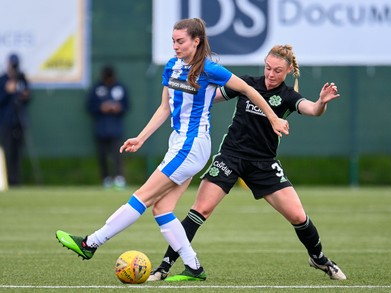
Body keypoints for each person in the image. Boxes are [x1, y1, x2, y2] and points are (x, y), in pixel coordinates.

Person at [55, 18, 289, 282]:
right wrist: (141, 138)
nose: (175, 46)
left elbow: (247, 89)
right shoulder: (171, 66)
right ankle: (194, 267)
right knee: (162, 208)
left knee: (142, 197)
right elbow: (164, 109)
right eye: (173, 41)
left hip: (193, 145)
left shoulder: (210, 69)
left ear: (196, 41)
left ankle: (90, 244)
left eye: (181, 41)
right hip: (178, 143)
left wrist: (272, 117)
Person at [147, 44, 347, 281]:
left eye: (277, 71)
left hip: (263, 163)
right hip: (230, 156)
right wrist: (188, 91)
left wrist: (321, 102)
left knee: (298, 217)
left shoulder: (287, 96)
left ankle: (319, 258)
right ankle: (164, 267)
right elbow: (211, 97)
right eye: (268, 68)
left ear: (288, 71)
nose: (271, 75)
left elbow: (313, 110)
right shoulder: (247, 83)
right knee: (200, 210)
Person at [87, 65, 129, 189]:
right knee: (102, 155)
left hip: (116, 128)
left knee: (117, 154)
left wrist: (118, 108)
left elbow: (126, 105)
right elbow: (89, 106)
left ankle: (119, 178)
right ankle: (106, 178)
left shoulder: (120, 87)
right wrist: (101, 107)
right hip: (100, 128)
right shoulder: (97, 88)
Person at [0, 53, 31, 186]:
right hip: (6, 121)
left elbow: (27, 97)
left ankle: (16, 181)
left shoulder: (22, 78)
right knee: (7, 150)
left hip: (19, 120)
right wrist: (7, 91)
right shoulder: (2, 79)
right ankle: (6, 180)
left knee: (17, 152)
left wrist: (24, 95)